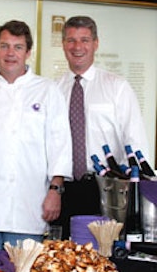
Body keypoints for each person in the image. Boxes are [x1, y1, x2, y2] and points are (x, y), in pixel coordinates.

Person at [0, 20, 72, 253]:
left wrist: (55, 191)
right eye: (4, 46)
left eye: (17, 47)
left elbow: (60, 145)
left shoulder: (47, 90)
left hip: (29, 204)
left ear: (28, 52)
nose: (10, 53)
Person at [56, 15, 149, 240]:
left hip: (106, 188)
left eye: (84, 40)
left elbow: (135, 140)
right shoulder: (54, 88)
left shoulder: (117, 87)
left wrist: (140, 192)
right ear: (63, 45)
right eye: (71, 40)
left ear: (96, 43)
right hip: (65, 189)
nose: (77, 47)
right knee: (65, 258)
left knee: (103, 258)